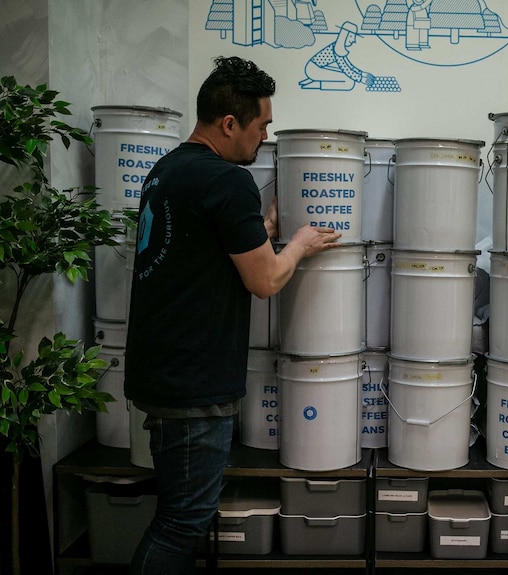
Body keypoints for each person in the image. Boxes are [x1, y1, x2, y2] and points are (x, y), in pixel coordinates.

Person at [124, 55, 341, 574]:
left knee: (180, 513)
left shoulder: (169, 170)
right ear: (229, 123)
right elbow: (264, 281)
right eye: (262, 125)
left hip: (161, 370)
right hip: (193, 382)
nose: (264, 137)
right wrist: (301, 246)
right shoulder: (226, 180)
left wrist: (259, 235)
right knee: (183, 521)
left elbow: (202, 253)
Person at [299, 21, 375, 90]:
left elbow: (349, 66)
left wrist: (362, 73)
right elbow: (346, 69)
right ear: (345, 36)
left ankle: (313, 80)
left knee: (348, 78)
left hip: (317, 67)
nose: (353, 40)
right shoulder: (337, 49)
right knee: (349, 82)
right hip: (313, 69)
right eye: (351, 36)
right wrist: (361, 79)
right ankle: (315, 83)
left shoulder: (339, 48)